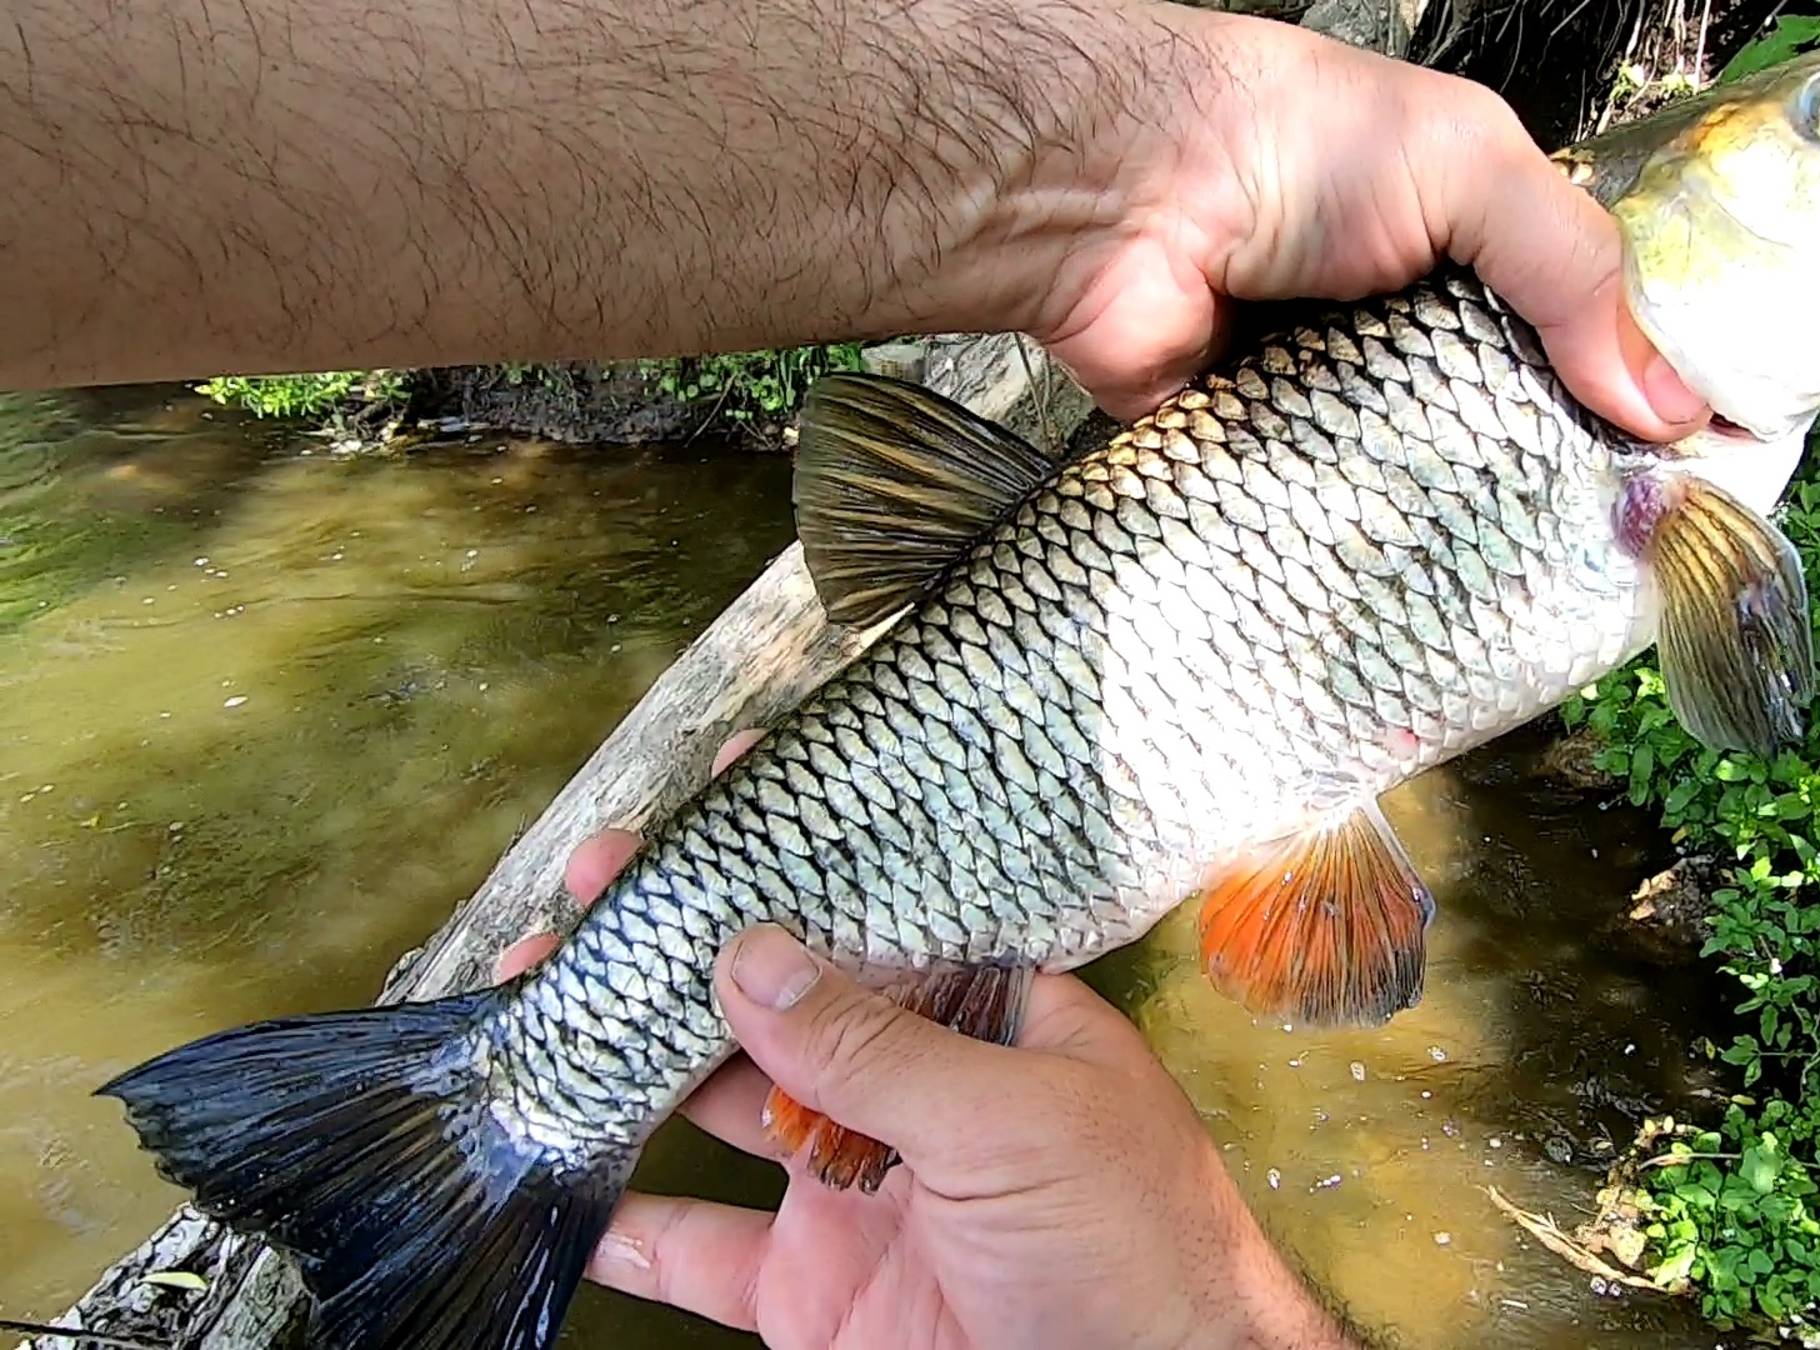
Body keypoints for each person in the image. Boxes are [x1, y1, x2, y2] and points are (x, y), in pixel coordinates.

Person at [9, 0, 1710, 1344]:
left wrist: (1109, 166)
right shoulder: (1661, 429)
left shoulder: (1630, 420)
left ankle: (503, 1098)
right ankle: (506, 1094)